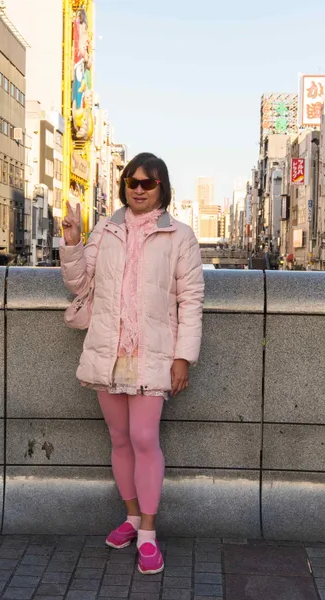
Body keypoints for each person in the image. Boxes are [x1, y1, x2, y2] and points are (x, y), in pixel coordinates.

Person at [60, 153, 204, 575]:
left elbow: (191, 300)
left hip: (153, 353)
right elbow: (79, 284)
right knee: (119, 438)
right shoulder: (106, 230)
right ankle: (130, 517)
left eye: (148, 182)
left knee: (144, 438)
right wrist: (71, 241)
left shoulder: (180, 236)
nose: (138, 188)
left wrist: (183, 358)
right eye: (131, 180)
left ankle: (148, 534)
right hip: (109, 349)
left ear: (163, 188)